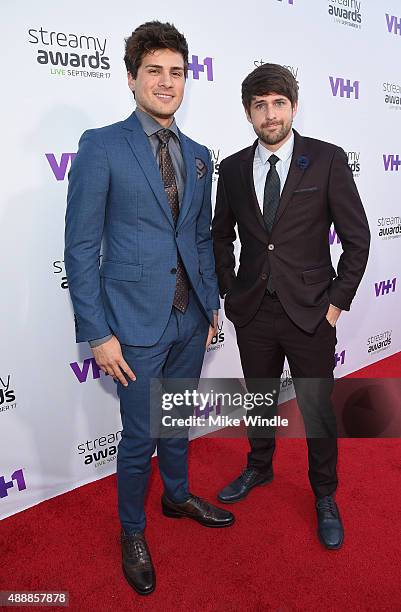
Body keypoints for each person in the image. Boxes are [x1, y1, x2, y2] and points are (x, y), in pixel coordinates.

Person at [65, 21, 234, 596]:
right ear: (132, 77)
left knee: (178, 422)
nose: (167, 82)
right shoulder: (102, 145)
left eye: (176, 72)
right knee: (140, 436)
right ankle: (132, 531)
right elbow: (82, 247)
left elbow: (202, 236)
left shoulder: (200, 154)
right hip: (131, 324)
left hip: (190, 318)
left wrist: (210, 303)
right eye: (154, 71)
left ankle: (177, 495)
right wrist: (97, 333)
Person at [212, 63, 370, 550]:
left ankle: (325, 494)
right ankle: (258, 467)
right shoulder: (234, 168)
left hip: (311, 313)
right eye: (259, 105)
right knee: (260, 399)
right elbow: (220, 234)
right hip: (254, 312)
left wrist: (335, 306)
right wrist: (229, 292)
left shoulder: (326, 160)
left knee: (317, 410)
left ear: (294, 106)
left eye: (278, 102)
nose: (270, 113)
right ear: (247, 113)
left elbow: (357, 239)